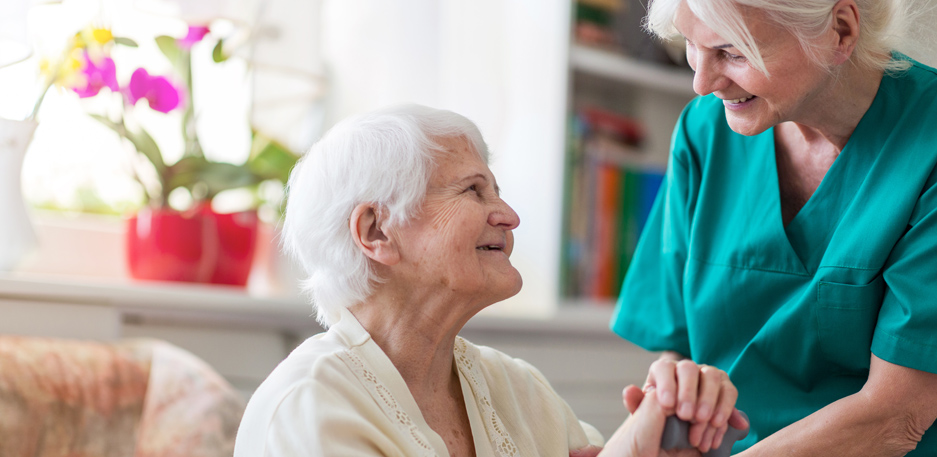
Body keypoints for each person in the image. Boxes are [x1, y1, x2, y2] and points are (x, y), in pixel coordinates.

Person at [234, 104, 747, 457]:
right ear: (376, 231)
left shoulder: (519, 388)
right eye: (473, 191)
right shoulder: (306, 407)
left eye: (496, 190)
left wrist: (656, 434)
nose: (508, 215)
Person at [610, 0, 937, 455]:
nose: (702, 83)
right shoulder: (703, 133)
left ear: (840, 31)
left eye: (733, 51)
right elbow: (679, 348)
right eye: (690, 44)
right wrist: (679, 393)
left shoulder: (929, 144)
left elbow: (897, 416)